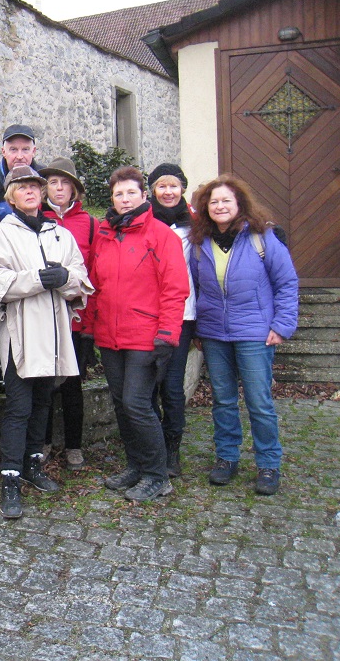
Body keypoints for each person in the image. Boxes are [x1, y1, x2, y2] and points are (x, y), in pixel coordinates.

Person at [0, 165, 92, 519]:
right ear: (11, 195)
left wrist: (65, 278)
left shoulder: (59, 234)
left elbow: (81, 278)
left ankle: (32, 464)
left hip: (55, 332)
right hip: (21, 332)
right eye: (23, 187)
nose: (30, 192)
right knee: (19, 407)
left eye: (35, 187)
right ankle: (9, 477)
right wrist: (38, 279)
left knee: (43, 401)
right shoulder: (2, 235)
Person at [189, 175, 298, 496]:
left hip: (254, 331)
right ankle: (226, 457)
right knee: (222, 400)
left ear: (239, 205)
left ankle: (268, 463)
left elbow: (287, 283)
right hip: (213, 334)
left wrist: (282, 325)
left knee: (259, 401)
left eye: (226, 201)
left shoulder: (262, 238)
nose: (220, 206)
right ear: (205, 208)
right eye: (214, 202)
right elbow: (195, 289)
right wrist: (197, 328)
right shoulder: (200, 244)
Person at [85, 166, 189, 502]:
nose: (125, 199)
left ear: (143, 196)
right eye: (118, 194)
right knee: (121, 403)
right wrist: (89, 327)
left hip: (146, 335)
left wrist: (168, 335)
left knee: (137, 403)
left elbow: (175, 289)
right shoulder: (104, 234)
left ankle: (158, 475)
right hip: (110, 335)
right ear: (111, 199)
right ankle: (136, 465)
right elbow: (95, 285)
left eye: (131, 192)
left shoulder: (161, 236)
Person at [39, 157, 97, 472]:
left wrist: (89, 329)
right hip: (44, 318)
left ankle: (74, 446)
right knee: (45, 382)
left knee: (73, 386)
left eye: (65, 182)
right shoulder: (37, 218)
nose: (59, 188)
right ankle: (45, 442)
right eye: (53, 182)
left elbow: (95, 277)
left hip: (76, 320)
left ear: (74, 188)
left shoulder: (88, 223)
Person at [146, 162, 197, 477]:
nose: (167, 192)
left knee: (173, 386)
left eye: (173, 186)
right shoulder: (144, 220)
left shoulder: (194, 224)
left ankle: (172, 449)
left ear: (182, 190)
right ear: (152, 190)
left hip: (183, 313)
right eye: (161, 186)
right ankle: (152, 446)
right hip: (148, 312)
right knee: (149, 383)